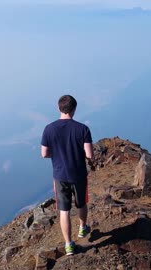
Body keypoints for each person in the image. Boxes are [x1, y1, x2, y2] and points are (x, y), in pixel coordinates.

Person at [41, 95, 94, 256]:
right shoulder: (83, 129)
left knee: (64, 210)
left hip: (59, 175)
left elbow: (44, 154)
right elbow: (90, 155)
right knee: (81, 203)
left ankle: (68, 245)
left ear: (59, 108)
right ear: (74, 109)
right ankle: (82, 228)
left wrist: (57, 155)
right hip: (78, 173)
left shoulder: (49, 129)